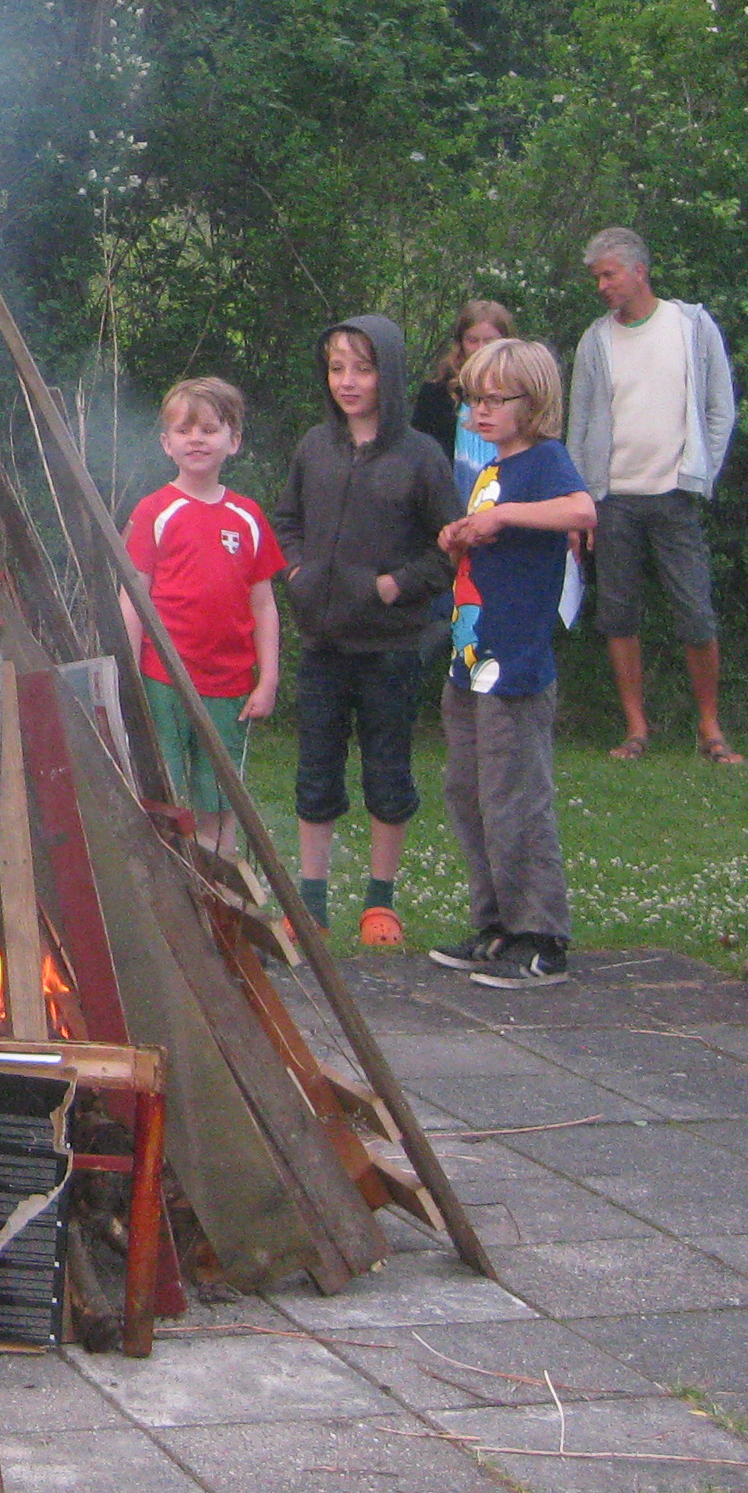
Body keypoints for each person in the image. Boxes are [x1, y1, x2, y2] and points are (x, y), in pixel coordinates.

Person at [270, 319, 453, 947]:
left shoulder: (421, 456)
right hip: (322, 643)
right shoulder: (314, 448)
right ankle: (311, 903)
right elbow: (285, 521)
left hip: (391, 648)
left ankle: (380, 902)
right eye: (336, 368)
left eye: (363, 369)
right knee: (315, 772)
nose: (347, 382)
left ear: (389, 375)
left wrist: (395, 585)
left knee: (388, 773)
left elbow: (448, 548)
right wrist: (297, 572)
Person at [429, 337, 600, 991]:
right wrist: (459, 535)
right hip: (470, 660)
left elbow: (582, 510)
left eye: (497, 399)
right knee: (469, 794)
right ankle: (496, 923)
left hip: (516, 665)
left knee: (515, 797)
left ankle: (543, 936)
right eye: (473, 398)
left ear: (534, 401)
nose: (482, 410)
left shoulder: (544, 460)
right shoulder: (488, 471)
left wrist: (501, 517)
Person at [567, 228, 742, 764]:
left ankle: (710, 726)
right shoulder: (595, 340)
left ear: (639, 271)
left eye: (609, 274)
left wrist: (701, 472)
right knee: (618, 615)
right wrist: (580, 501)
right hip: (613, 499)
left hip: (675, 496)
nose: (601, 285)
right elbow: (580, 423)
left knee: (695, 613)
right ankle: (636, 728)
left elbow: (720, 408)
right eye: (596, 277)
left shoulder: (691, 325)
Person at [122, 377, 283, 851]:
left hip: (229, 685)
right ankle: (170, 877)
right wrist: (128, 672)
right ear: (166, 443)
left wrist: (269, 679)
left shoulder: (248, 516)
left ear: (234, 441)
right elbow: (132, 596)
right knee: (165, 793)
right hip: (163, 678)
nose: (196, 439)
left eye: (209, 429)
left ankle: (222, 882)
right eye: (184, 430)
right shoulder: (154, 511)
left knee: (219, 796)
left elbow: (264, 604)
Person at [410, 298, 518, 493]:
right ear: (460, 343)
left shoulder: (521, 393)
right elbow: (419, 455)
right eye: (472, 340)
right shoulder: (436, 393)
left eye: (489, 341)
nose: (481, 348)